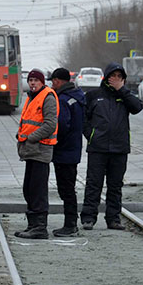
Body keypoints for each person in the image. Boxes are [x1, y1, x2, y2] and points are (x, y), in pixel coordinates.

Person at [81, 62, 142, 230]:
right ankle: (88, 217)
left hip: (119, 148)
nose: (115, 79)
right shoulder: (94, 95)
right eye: (113, 76)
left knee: (115, 186)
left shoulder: (125, 96)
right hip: (98, 148)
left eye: (119, 76)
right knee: (94, 184)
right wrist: (91, 135)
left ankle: (113, 219)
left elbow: (137, 107)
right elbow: (84, 118)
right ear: (106, 77)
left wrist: (122, 90)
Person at [15, 68, 58, 239]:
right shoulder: (32, 97)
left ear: (42, 82)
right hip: (31, 150)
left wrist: (30, 138)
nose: (32, 83)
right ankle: (33, 224)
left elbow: (50, 124)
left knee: (38, 190)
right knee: (29, 189)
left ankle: (40, 227)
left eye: (36, 80)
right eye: (30, 80)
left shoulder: (47, 97)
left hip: (40, 149)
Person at [49, 67, 85, 237]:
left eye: (53, 81)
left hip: (63, 151)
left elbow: (62, 125)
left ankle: (70, 225)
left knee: (66, 189)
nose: (52, 84)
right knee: (69, 187)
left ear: (57, 80)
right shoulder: (78, 97)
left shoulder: (62, 99)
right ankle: (71, 222)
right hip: (74, 148)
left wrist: (53, 141)